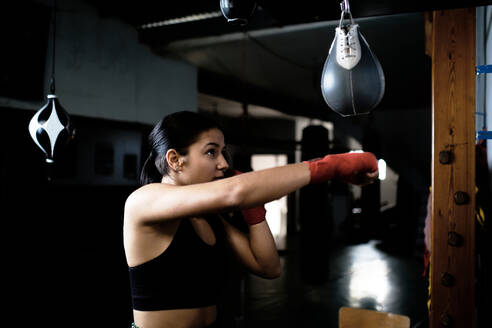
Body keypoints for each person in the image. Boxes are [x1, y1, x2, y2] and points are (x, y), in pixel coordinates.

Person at [123, 111, 379, 328]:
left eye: (223, 152)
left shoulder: (209, 217)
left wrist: (253, 207)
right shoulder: (143, 202)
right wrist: (331, 166)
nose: (223, 163)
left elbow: (269, 267)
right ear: (175, 159)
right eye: (211, 152)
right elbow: (235, 191)